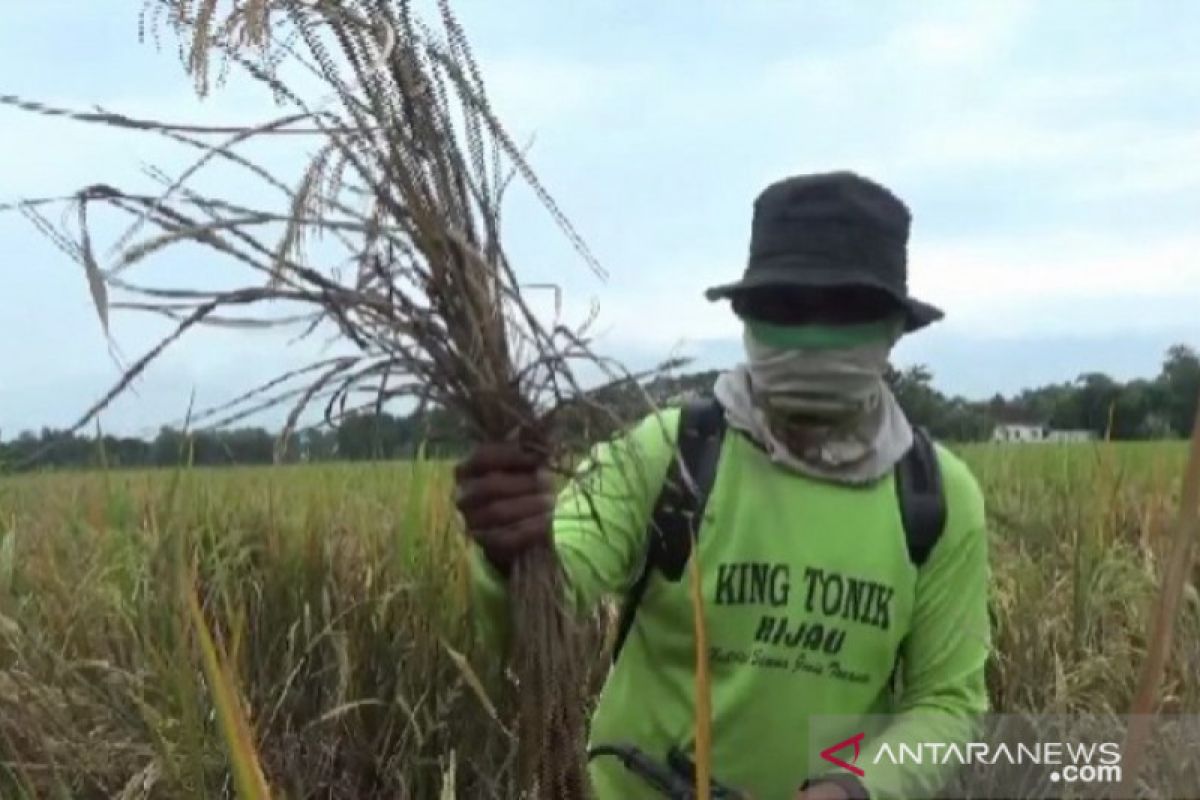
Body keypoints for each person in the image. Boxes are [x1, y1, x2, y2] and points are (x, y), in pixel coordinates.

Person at [454, 172, 992, 799]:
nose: (814, 334)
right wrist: (513, 554)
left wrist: (856, 790)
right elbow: (539, 628)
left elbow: (948, 703)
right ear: (746, 317)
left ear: (894, 328)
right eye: (788, 308)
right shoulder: (666, 453)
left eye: (845, 309)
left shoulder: (938, 497)